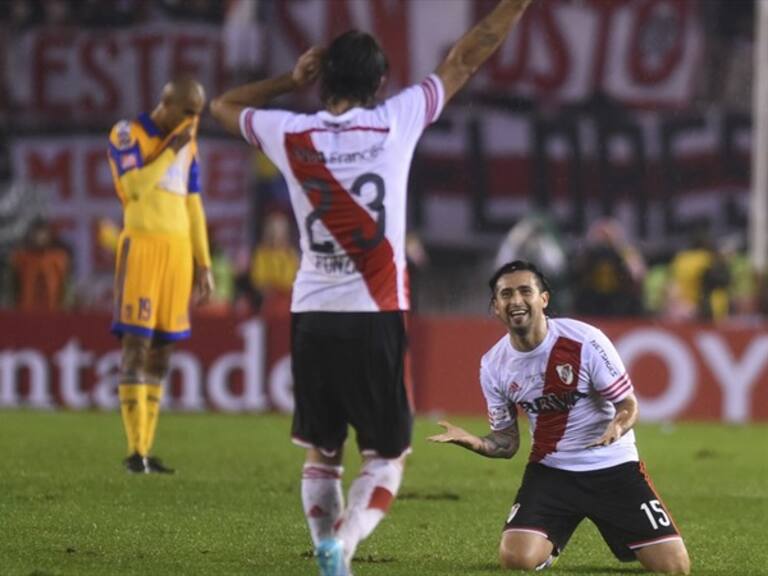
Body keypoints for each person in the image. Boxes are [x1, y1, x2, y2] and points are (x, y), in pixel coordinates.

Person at [210, 1, 532, 574]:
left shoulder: (290, 131)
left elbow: (222, 105)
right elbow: (466, 56)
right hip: (376, 313)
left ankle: (321, 541)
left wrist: (289, 79)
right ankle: (345, 544)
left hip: (312, 313)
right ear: (380, 82)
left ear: (323, 79)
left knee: (323, 451)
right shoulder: (395, 120)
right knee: (386, 459)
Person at [429, 260, 690, 574]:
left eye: (525, 291)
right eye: (506, 294)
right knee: (516, 560)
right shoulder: (493, 365)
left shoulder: (585, 341)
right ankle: (546, 547)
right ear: (495, 307)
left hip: (614, 468)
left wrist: (618, 425)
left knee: (674, 567)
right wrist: (474, 442)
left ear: (544, 299)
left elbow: (628, 403)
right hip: (552, 472)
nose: (516, 300)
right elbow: (507, 443)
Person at [107, 76, 214, 474]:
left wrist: (203, 262)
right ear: (165, 103)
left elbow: (193, 205)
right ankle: (135, 451)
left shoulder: (188, 143)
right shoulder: (127, 132)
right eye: (188, 112)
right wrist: (170, 151)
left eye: (198, 115)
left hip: (178, 252)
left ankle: (147, 452)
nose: (192, 121)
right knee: (136, 344)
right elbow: (134, 187)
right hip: (143, 246)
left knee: (164, 351)